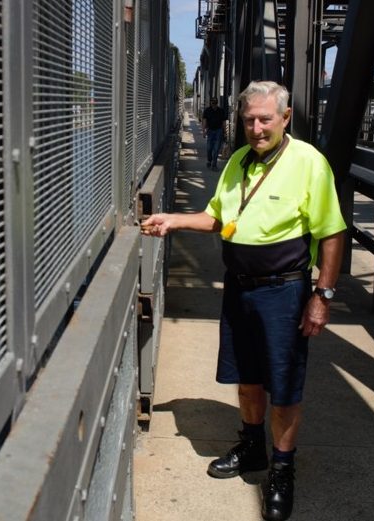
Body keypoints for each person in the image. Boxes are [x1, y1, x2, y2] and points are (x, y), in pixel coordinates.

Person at [141, 80, 346, 521]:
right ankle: (252, 448)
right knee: (248, 378)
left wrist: (322, 296)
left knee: (285, 388)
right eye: (249, 119)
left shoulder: (309, 163)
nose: (256, 128)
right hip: (239, 288)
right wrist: (173, 219)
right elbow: (218, 217)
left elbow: (332, 232)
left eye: (265, 119)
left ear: (285, 118)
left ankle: (283, 470)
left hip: (285, 291)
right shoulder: (236, 161)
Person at [202, 96, 227, 171]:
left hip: (218, 131)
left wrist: (225, 132)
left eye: (215, 103)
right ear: (211, 103)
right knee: (209, 148)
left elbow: (224, 122)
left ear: (217, 103)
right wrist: (204, 131)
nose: (214, 104)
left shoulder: (221, 111)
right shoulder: (207, 110)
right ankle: (209, 160)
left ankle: (214, 165)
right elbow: (204, 121)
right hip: (210, 130)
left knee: (216, 149)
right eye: (213, 103)